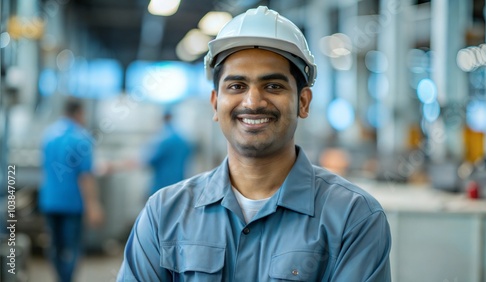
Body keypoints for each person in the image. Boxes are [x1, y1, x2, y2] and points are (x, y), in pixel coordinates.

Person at [118, 6, 391, 281]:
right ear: (215, 104)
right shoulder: (163, 214)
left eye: (273, 86)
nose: (252, 102)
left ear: (303, 102)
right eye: (236, 86)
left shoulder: (353, 218)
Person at [39, 97, 104, 282]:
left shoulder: (48, 135)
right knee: (72, 247)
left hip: (49, 200)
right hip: (72, 203)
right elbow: (85, 177)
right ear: (79, 113)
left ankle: (59, 277)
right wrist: (93, 206)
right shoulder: (81, 138)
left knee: (55, 246)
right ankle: (66, 279)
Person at [142, 106, 192, 196]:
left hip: (161, 187)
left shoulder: (163, 139)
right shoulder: (183, 139)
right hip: (179, 185)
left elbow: (149, 160)